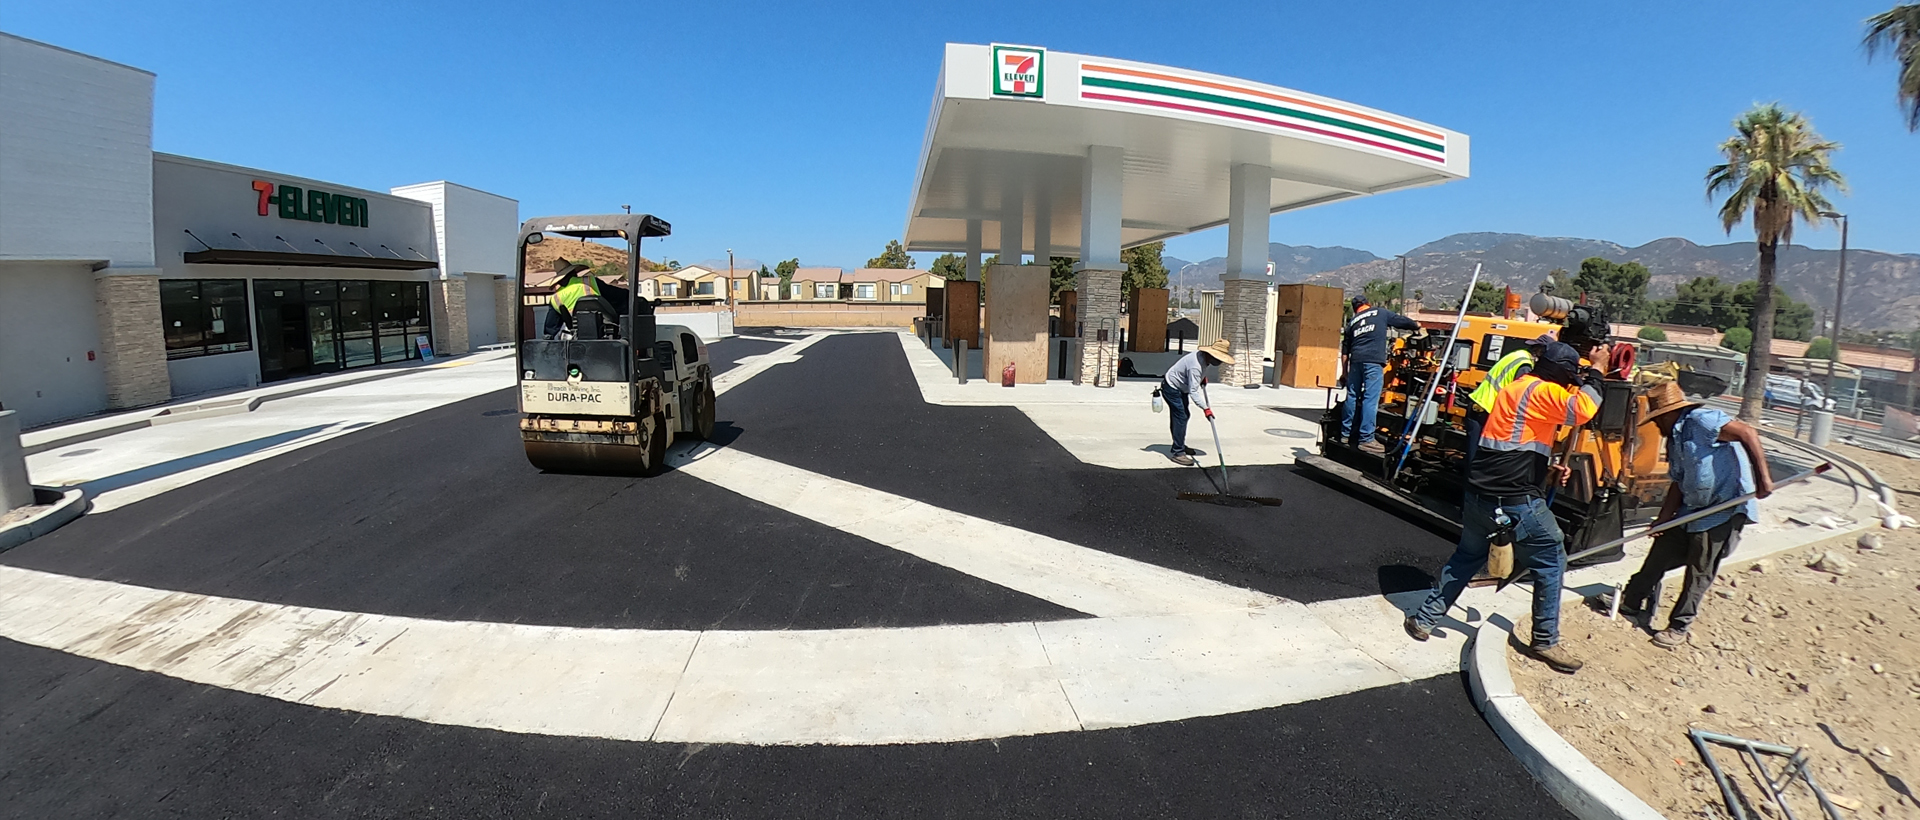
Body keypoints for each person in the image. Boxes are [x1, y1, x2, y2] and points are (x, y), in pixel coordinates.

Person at [1405, 342, 1601, 674]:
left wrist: (1547, 469)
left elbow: (1515, 444)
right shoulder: (1543, 391)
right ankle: (1544, 639)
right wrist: (1597, 370)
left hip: (1481, 496)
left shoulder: (1516, 389)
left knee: (1467, 558)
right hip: (1514, 503)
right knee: (1551, 560)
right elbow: (1584, 407)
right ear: (1563, 374)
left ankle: (1425, 620)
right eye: (1571, 377)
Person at [1614, 381, 1773, 649]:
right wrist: (1663, 519)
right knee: (1659, 554)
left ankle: (1678, 626)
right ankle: (1631, 601)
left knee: (1700, 569)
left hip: (1721, 509)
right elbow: (1679, 480)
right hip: (1691, 508)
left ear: (1666, 414)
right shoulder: (1674, 440)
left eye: (1656, 421)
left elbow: (1747, 433)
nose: (1655, 427)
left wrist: (1763, 478)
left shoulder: (1702, 420)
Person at [1340, 296, 1421, 454]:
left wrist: (1344, 373)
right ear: (1368, 304)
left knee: (1352, 396)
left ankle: (1345, 434)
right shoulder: (1379, 312)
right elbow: (1400, 321)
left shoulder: (1352, 322)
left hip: (1356, 361)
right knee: (1370, 399)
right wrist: (1415, 325)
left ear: (1355, 308)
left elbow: (1345, 352)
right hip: (1373, 361)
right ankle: (1366, 439)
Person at [1464, 334, 1554, 470]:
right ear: (1540, 352)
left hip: (1479, 405)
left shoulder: (1518, 355)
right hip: (1486, 410)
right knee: (1478, 464)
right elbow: (1521, 396)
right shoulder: (1525, 365)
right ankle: (1471, 491)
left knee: (1473, 458)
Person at [1159, 339, 1235, 466]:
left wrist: (1201, 379)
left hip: (1181, 387)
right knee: (1181, 417)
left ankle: (1179, 444)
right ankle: (1178, 452)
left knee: (1183, 416)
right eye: (1218, 358)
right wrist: (1206, 408)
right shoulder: (1196, 365)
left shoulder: (1203, 358)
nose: (1219, 361)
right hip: (1172, 388)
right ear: (1210, 355)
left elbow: (1195, 377)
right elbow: (1193, 391)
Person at [542, 259, 632, 339]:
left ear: (560, 280)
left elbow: (550, 329)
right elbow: (618, 295)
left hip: (579, 338)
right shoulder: (590, 282)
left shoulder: (556, 298)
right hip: (607, 333)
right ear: (574, 273)